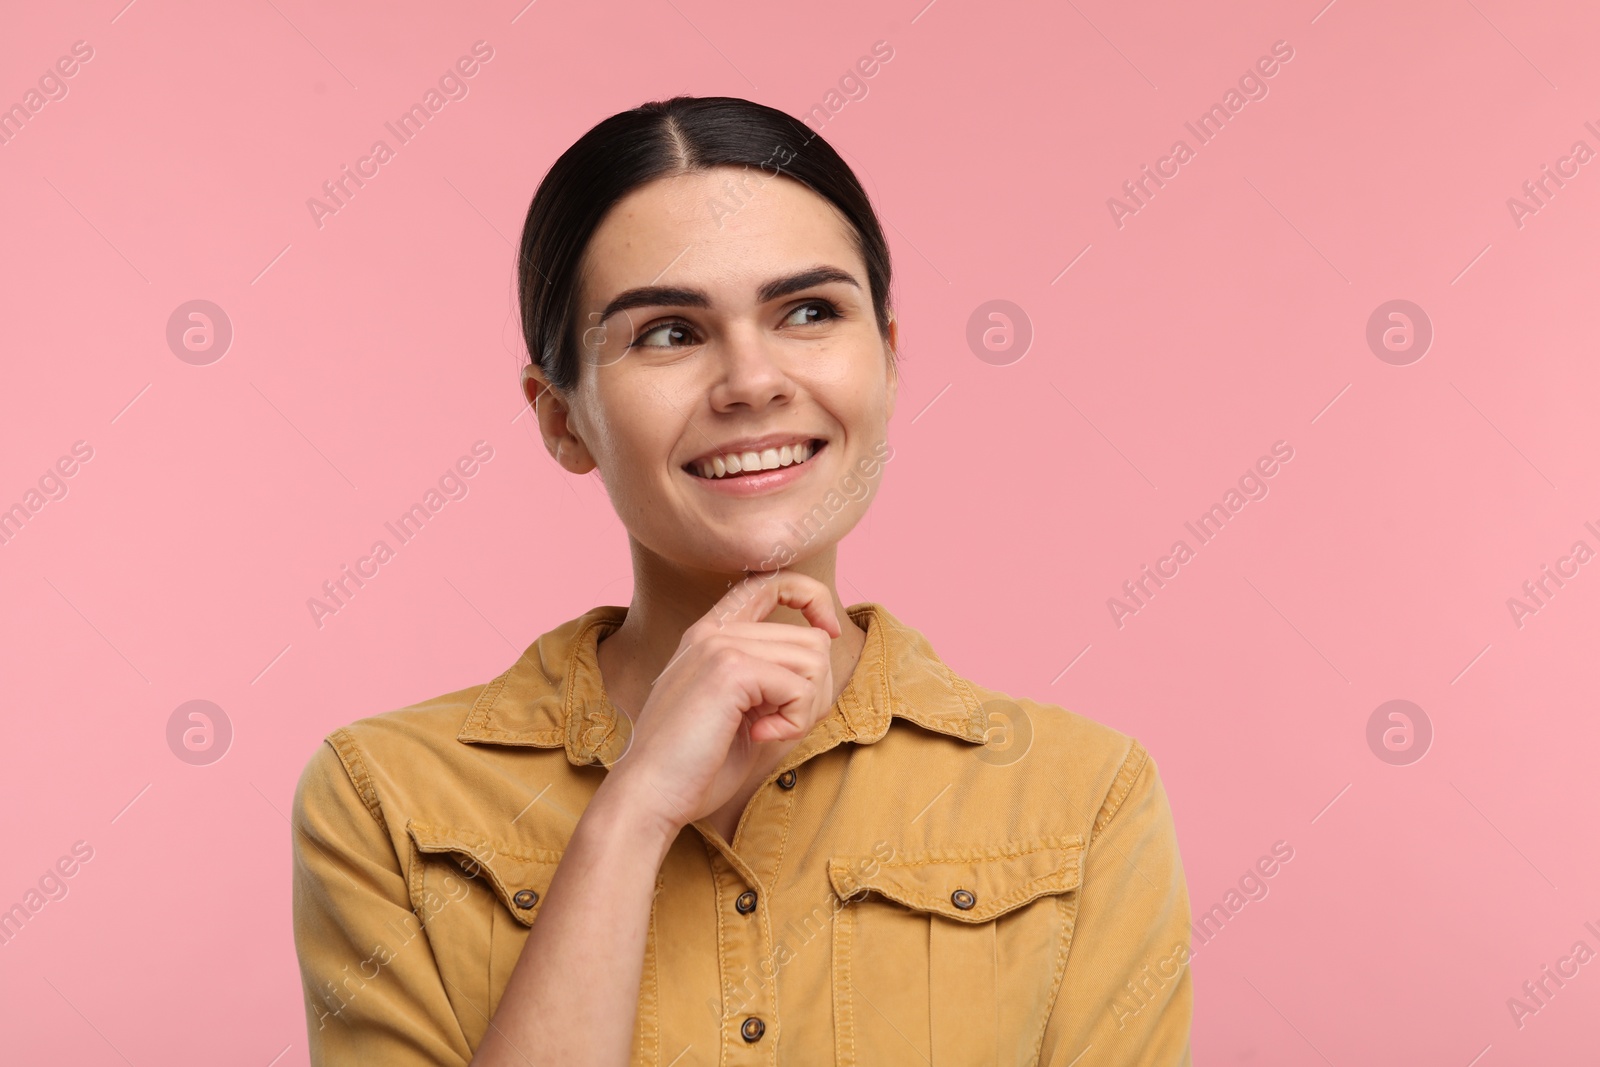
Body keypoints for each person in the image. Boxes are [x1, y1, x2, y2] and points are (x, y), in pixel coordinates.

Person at [291, 94, 1193, 1066]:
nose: (752, 380)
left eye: (808, 312)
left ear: (887, 360)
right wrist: (630, 812)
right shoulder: (387, 797)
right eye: (668, 333)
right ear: (560, 419)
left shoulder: (1082, 796)